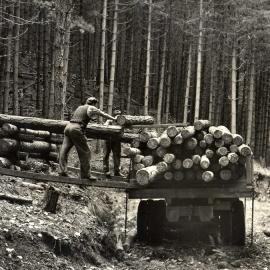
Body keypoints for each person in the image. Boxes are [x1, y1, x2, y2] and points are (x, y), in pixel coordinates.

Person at [59, 97, 116, 181]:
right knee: (86, 152)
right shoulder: (91, 107)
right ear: (93, 103)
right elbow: (102, 114)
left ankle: (62, 171)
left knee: (64, 151)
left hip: (68, 127)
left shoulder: (80, 107)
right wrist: (114, 119)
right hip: (76, 129)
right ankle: (86, 175)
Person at [103, 109, 124, 177]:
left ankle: (117, 172)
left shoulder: (121, 122)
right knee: (106, 155)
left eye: (119, 113)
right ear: (113, 115)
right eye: (116, 113)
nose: (117, 114)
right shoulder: (109, 120)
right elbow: (104, 126)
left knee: (117, 156)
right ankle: (106, 171)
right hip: (108, 140)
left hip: (117, 141)